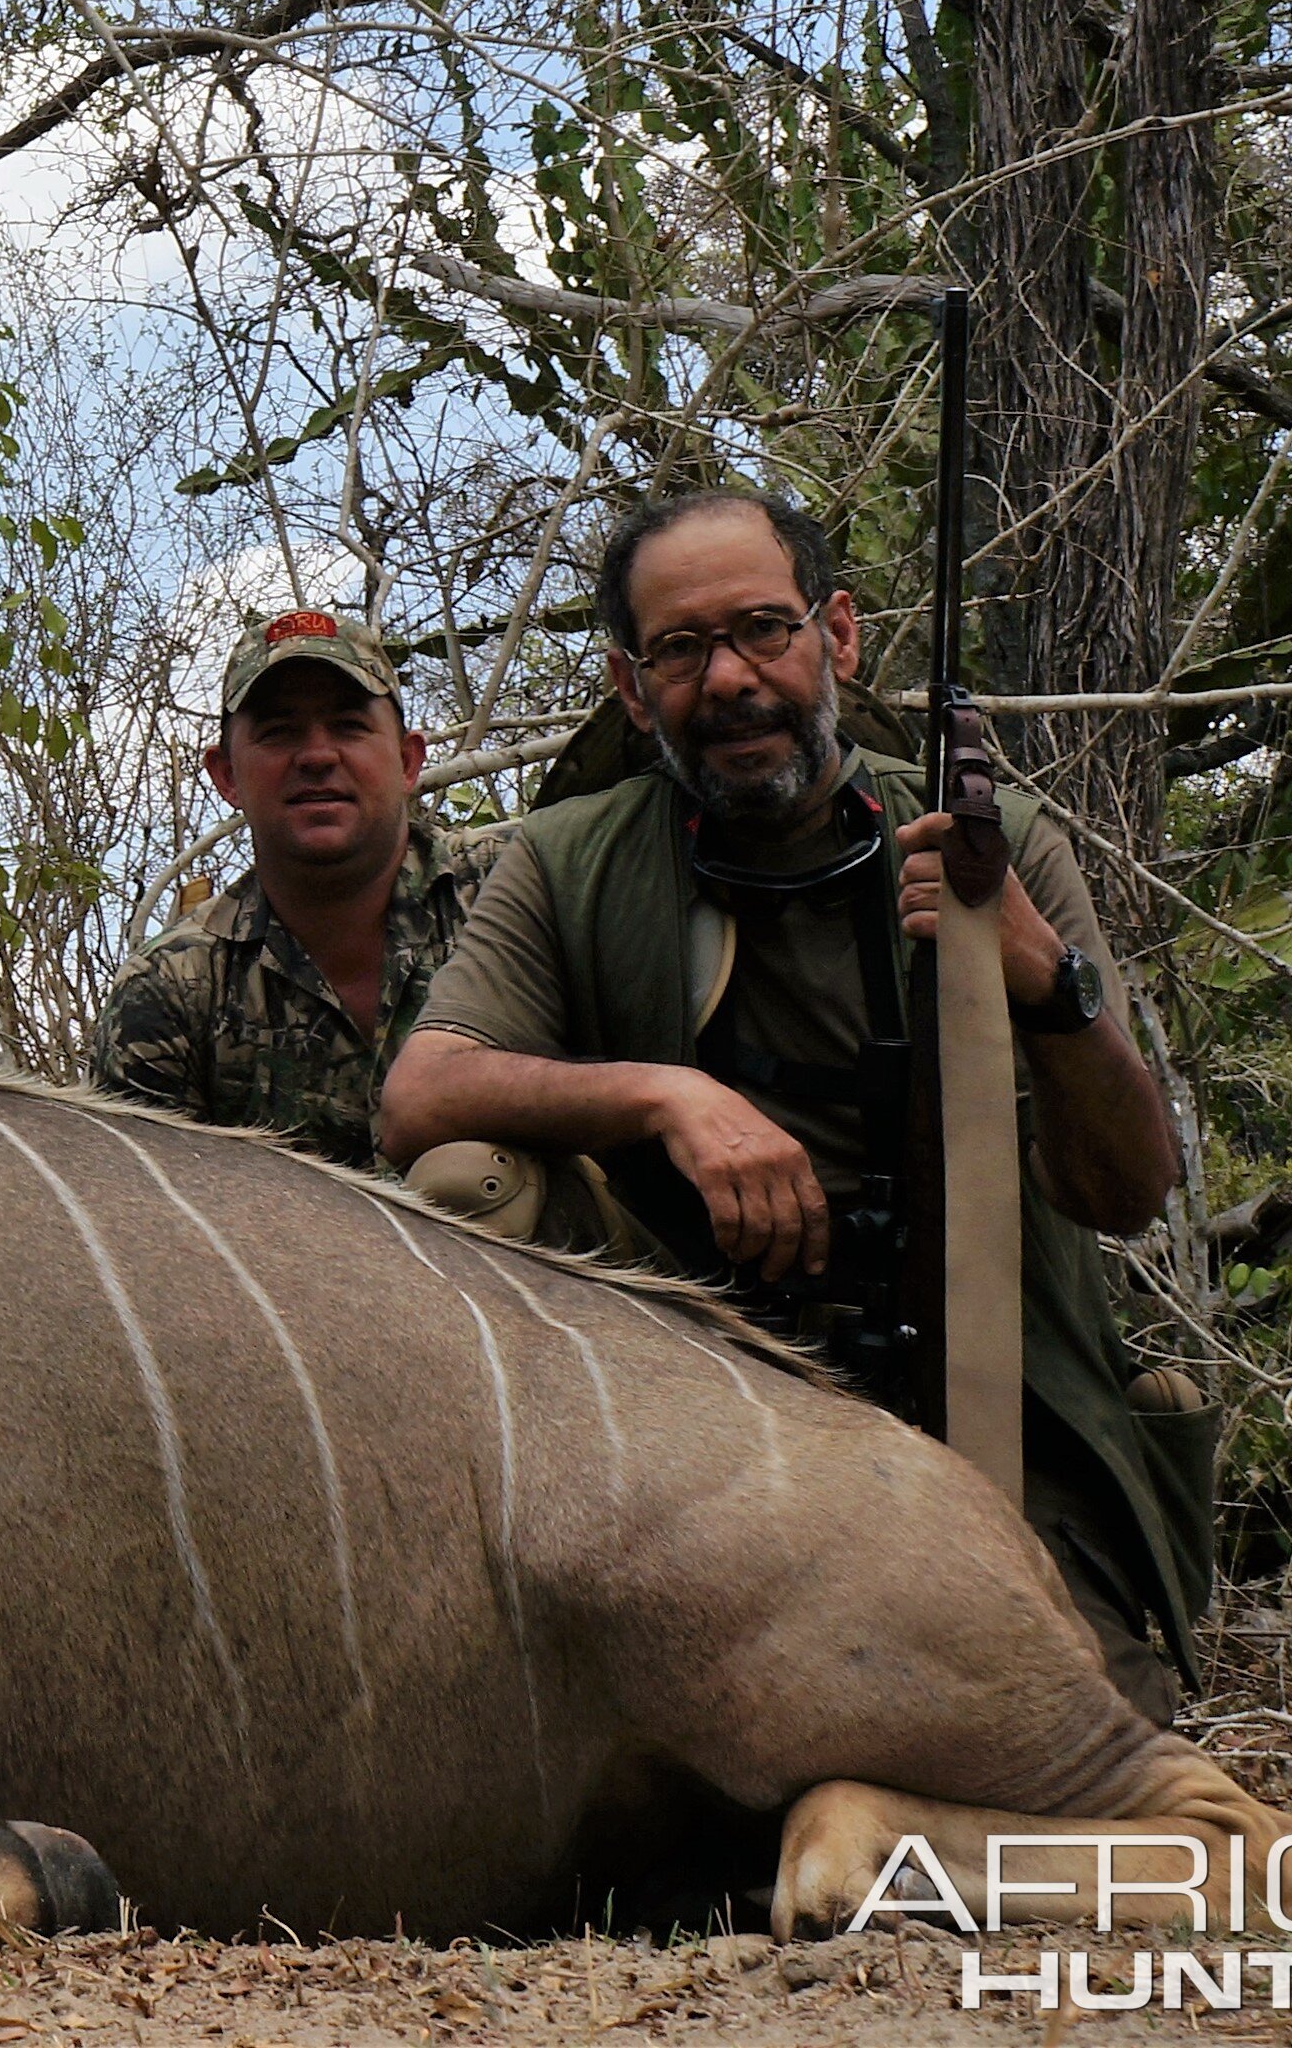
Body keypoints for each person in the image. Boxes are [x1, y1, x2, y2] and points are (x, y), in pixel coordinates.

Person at [376, 489, 1213, 1719]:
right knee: (468, 1180)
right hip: (690, 1412)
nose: (728, 679)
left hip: (973, 1413)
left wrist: (1048, 986)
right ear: (628, 684)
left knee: (1066, 1741)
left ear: (840, 637)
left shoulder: (999, 843)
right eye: (680, 650)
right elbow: (421, 1095)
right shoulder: (569, 857)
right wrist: (670, 1095)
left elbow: (1129, 1190)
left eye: (763, 630)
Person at [88, 608, 485, 1169]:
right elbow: (146, 1224)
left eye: (349, 726)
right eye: (279, 733)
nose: (318, 756)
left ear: (406, 760)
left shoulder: (516, 885)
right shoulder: (170, 992)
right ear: (226, 775)